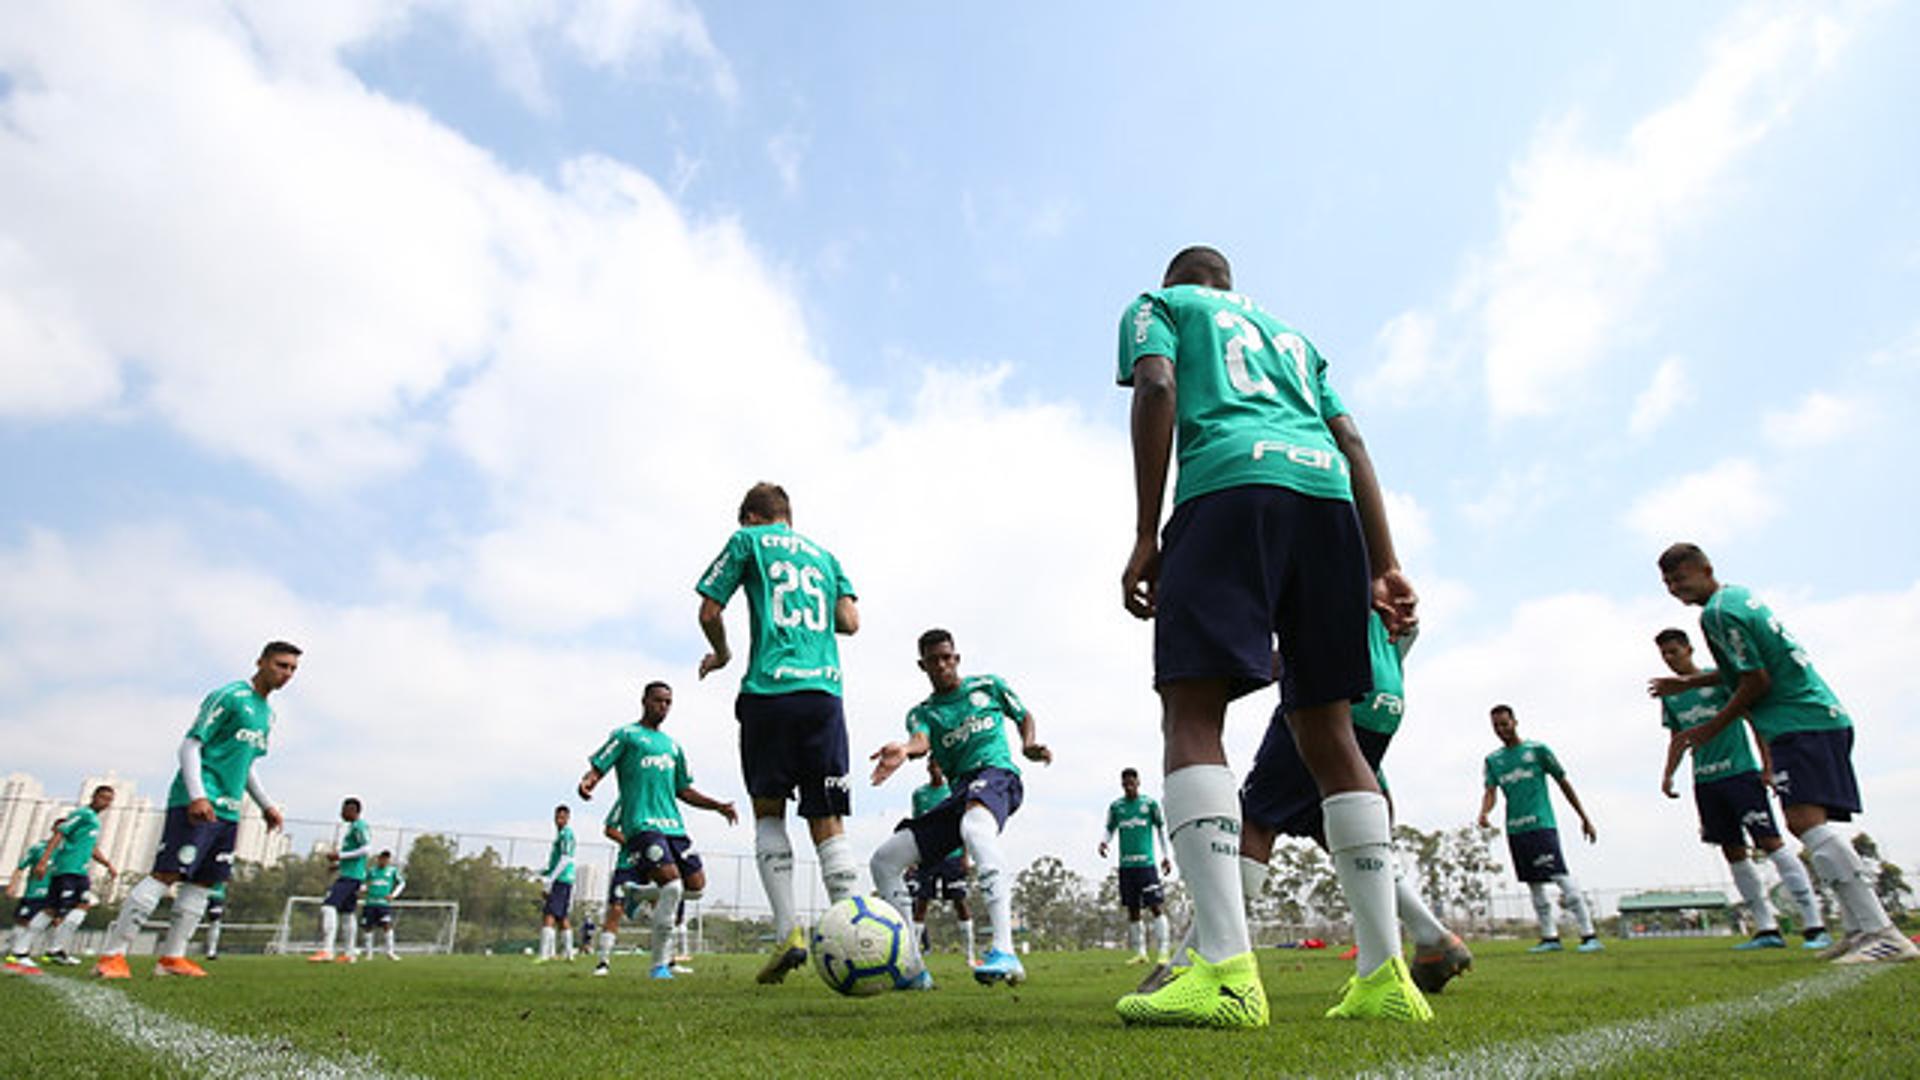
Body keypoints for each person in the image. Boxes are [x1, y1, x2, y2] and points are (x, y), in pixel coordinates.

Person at [1112, 247, 1424, 1027]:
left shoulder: (1161, 306)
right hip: (1327, 503)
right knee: (1329, 729)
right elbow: (1354, 442)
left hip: (1229, 488)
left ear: (1182, 279)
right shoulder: (1296, 339)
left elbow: (1155, 384)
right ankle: (1388, 979)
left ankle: (1222, 969)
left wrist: (1147, 532)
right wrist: (1384, 564)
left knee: (1191, 714)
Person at [1654, 543, 1918, 963]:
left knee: (1801, 822)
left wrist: (1711, 726)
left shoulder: (1717, 614)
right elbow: (1748, 667)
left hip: (1798, 721)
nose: (1674, 588)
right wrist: (1687, 686)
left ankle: (1882, 932)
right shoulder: (1738, 596)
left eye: (1680, 578)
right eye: (1667, 582)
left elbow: (1756, 681)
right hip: (1816, 715)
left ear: (1705, 569)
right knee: (1806, 823)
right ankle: (1857, 928)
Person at [696, 482, 861, 983]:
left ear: (751, 516)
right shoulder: (825, 556)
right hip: (823, 697)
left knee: (770, 811)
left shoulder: (746, 541)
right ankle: (859, 938)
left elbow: (709, 610)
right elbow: (850, 621)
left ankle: (788, 931)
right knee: (828, 820)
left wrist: (722, 655)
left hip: (768, 694)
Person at [96, 641, 298, 979]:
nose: (286, 674)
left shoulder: (267, 715)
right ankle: (112, 954)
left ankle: (171, 958)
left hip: (230, 812)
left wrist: (266, 805)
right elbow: (191, 744)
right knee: (167, 874)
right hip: (198, 803)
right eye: (281, 665)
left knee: (204, 883)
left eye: (292, 669)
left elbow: (245, 764)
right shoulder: (229, 696)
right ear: (261, 661)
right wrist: (197, 795)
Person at [870, 628, 1051, 988]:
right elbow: (920, 741)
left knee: (975, 827)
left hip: (997, 775)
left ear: (956, 658)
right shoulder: (923, 713)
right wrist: (905, 751)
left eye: (947, 657)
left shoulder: (989, 686)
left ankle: (1004, 948)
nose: (942, 665)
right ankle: (912, 967)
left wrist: (1028, 744)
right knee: (884, 861)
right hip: (960, 793)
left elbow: (1023, 715)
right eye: (933, 660)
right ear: (922, 665)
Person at [1654, 627, 1827, 949]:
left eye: (1674, 652)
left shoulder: (1717, 679)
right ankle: (1766, 928)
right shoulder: (1671, 695)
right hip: (1706, 780)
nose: (1669, 659)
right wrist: (1668, 774)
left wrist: (1768, 764)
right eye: (1664, 654)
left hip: (1740, 774)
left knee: (1770, 841)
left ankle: (1814, 923)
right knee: (1732, 850)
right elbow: (1678, 737)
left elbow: (1752, 718)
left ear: (1689, 650)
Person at [579, 680, 738, 980]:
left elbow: (685, 790)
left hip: (674, 826)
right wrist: (590, 780)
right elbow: (600, 764)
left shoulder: (674, 746)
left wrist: (718, 805)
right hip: (642, 825)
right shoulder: (626, 735)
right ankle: (659, 965)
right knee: (673, 887)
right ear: (645, 701)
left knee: (696, 887)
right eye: (658, 701)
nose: (663, 707)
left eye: (668, 702)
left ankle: (640, 894)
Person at [1478, 705, 1602, 953]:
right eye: (1496, 726)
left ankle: (1589, 934)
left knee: (1560, 877)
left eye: (1505, 723)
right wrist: (1484, 812)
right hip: (1516, 829)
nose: (1501, 730)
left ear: (1515, 721)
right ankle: (1550, 938)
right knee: (1534, 884)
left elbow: (1563, 781)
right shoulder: (1493, 760)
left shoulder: (1537, 751)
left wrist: (1584, 817)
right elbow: (1490, 792)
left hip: (1541, 826)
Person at [18, 787, 118, 968]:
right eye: (102, 797)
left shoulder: (94, 820)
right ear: (94, 797)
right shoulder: (83, 814)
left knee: (82, 905)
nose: (105, 802)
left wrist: (107, 864)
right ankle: (20, 951)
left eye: (109, 800)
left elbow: (91, 846)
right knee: (53, 910)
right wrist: (43, 861)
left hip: (80, 872)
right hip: (66, 869)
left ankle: (56, 949)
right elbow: (60, 833)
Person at [907, 759, 977, 966]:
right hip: (928, 856)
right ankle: (914, 956)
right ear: (928, 768)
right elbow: (917, 825)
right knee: (921, 904)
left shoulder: (955, 791)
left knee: (960, 903)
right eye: (933, 766)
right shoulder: (920, 795)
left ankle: (970, 955)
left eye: (940, 766)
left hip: (952, 856)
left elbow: (964, 824)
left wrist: (965, 856)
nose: (937, 770)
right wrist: (912, 857)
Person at [1101, 768, 1172, 965]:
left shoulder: (1149, 805)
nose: (1129, 787)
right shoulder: (1117, 807)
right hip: (1126, 866)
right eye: (1125, 784)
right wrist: (1104, 842)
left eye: (1132, 783)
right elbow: (1109, 829)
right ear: (1122, 784)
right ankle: (1140, 952)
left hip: (1146, 865)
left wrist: (1166, 856)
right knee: (1133, 910)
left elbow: (1161, 830)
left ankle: (1163, 951)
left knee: (1155, 906)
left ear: (1138, 782)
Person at [310, 797, 371, 963]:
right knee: (347, 913)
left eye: (344, 809)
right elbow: (356, 855)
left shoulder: (360, 826)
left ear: (352, 810)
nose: (341, 813)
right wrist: (339, 864)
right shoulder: (353, 827)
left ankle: (327, 950)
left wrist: (340, 855)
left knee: (328, 906)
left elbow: (366, 848)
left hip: (351, 878)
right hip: (351, 875)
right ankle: (349, 954)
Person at [4, 835, 54, 972]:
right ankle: (12, 949)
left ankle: (21, 951)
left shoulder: (66, 850)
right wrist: (12, 885)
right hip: (34, 893)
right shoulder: (38, 849)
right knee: (24, 921)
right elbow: (21, 867)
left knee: (43, 922)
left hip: (52, 895)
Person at [536, 805, 577, 963]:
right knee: (562, 917)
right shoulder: (561, 834)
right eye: (557, 817)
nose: (559, 820)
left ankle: (544, 954)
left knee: (549, 915)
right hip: (563, 879)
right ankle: (569, 954)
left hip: (561, 880)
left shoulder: (566, 834)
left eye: (562, 817)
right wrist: (543, 872)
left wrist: (551, 879)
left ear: (567, 818)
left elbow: (566, 858)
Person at [358, 851, 405, 961]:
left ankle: (390, 952)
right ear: (379, 859)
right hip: (370, 902)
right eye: (382, 858)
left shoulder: (392, 871)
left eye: (387, 859)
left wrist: (393, 895)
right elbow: (362, 882)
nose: (384, 861)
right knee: (368, 927)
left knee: (387, 925)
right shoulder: (372, 870)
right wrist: (363, 888)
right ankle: (369, 954)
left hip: (383, 904)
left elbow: (402, 883)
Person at [202, 881, 228, 960]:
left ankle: (211, 952)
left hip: (216, 896)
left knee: (215, 922)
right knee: (190, 920)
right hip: (200, 894)